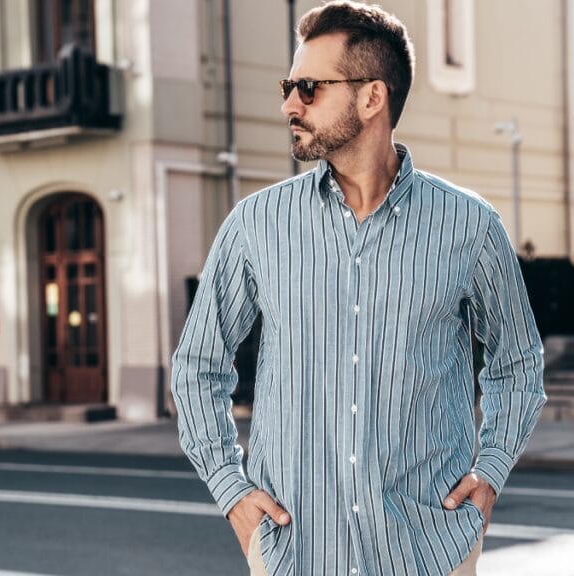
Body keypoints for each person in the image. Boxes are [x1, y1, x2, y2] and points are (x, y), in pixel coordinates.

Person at [170, 2, 546, 574]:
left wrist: (491, 469)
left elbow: (517, 362)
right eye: (288, 86)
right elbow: (198, 365)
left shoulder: (470, 227)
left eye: (309, 87)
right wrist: (231, 490)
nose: (288, 104)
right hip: (295, 555)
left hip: (429, 553)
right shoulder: (255, 226)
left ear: (373, 98)